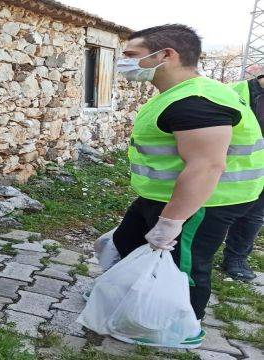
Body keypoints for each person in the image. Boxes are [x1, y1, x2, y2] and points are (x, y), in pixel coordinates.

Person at [112, 24, 264, 347]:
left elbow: (206, 166)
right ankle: (137, 298)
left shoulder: (197, 101)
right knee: (127, 241)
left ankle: (183, 326)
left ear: (165, 55)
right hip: (163, 195)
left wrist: (170, 223)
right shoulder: (180, 93)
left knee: (187, 264)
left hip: (204, 201)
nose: (123, 62)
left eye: (131, 55)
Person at [221, 77, 264, 281]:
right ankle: (190, 255)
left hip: (259, 174)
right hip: (226, 170)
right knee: (208, 214)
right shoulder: (236, 91)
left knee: (254, 216)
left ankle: (236, 259)